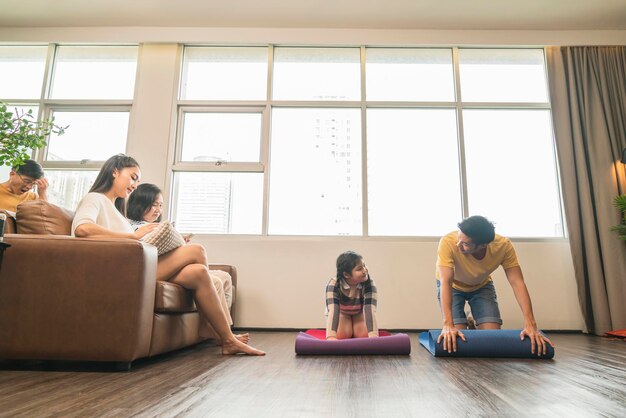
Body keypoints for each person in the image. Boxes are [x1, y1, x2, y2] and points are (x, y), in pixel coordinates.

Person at [71, 154, 264, 356]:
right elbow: (83, 229)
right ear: (115, 171)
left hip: (137, 266)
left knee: (198, 272)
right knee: (196, 250)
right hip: (122, 273)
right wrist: (132, 236)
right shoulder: (94, 198)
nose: (135, 185)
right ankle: (212, 327)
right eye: (133, 177)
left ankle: (227, 340)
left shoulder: (116, 210)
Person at [435, 215, 554, 355]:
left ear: (483, 245)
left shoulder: (503, 246)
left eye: (465, 244)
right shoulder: (448, 242)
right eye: (459, 239)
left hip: (481, 286)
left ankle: (473, 320)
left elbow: (517, 282)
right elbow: (446, 281)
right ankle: (465, 322)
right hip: (453, 287)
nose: (458, 245)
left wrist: (531, 324)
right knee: (457, 337)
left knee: (492, 337)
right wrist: (448, 325)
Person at [126, 183, 235, 318]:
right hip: (152, 268)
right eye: (154, 204)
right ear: (140, 203)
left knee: (223, 277)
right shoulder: (131, 226)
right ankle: (216, 327)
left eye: (160, 205)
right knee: (208, 269)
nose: (158, 210)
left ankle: (225, 329)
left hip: (167, 265)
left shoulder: (154, 226)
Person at [325, 251, 378, 340]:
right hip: (341, 312)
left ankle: (354, 326)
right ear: (346, 274)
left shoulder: (369, 283)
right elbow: (333, 310)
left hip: (358, 313)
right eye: (359, 268)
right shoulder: (334, 284)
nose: (365, 270)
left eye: (364, 266)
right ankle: (348, 326)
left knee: (364, 335)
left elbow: (370, 309)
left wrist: (373, 335)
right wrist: (331, 336)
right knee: (341, 335)